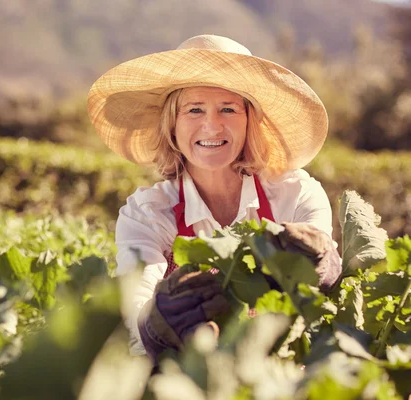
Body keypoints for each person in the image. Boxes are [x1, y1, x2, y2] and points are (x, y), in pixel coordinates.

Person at [87, 35, 342, 362]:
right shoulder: (147, 214)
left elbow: (320, 288)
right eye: (194, 109)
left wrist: (320, 266)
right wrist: (157, 327)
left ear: (250, 121)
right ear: (172, 125)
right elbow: (136, 305)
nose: (212, 125)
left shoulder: (296, 195)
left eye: (228, 109)